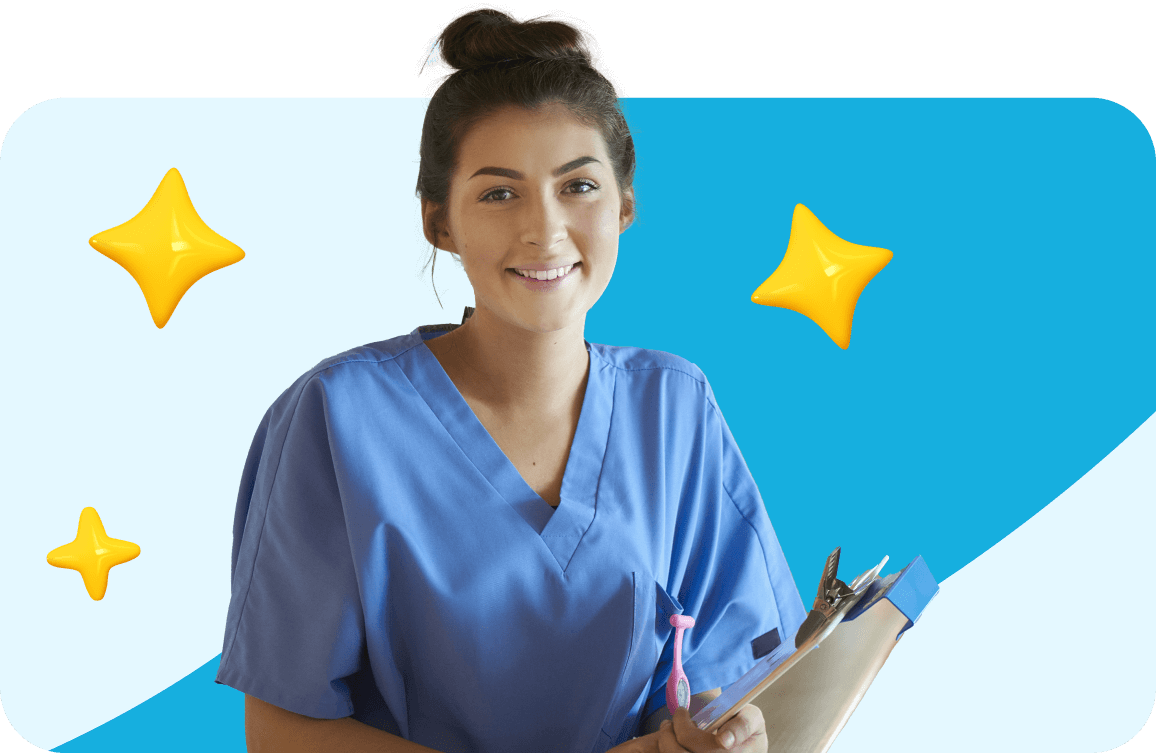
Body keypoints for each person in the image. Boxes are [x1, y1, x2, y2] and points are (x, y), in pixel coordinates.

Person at [216, 7, 806, 753]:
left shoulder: (675, 406)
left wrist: (726, 734)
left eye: (579, 187)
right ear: (439, 221)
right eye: (498, 193)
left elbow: (727, 677)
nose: (544, 230)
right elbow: (281, 732)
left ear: (624, 206)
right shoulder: (336, 417)